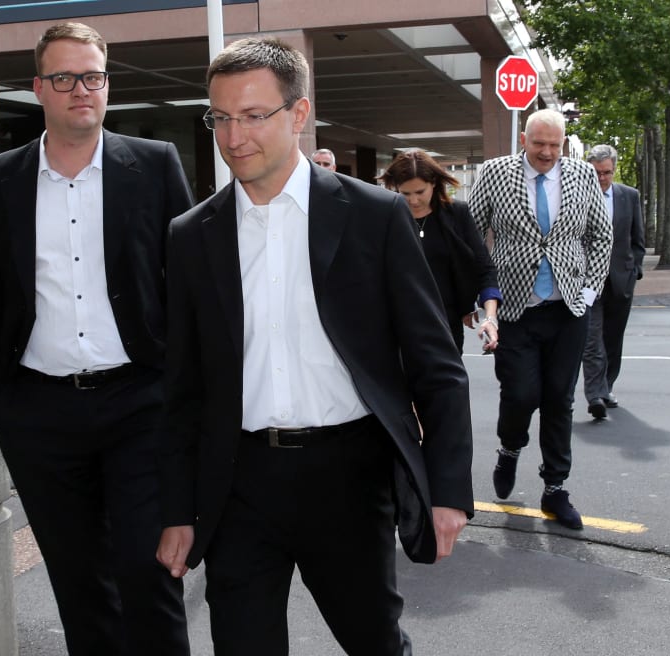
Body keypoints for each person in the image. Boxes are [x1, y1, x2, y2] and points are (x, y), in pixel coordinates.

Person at [156, 37, 473, 656]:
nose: (233, 135)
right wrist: (178, 508)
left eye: (253, 115)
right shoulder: (192, 235)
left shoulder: (375, 215)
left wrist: (448, 488)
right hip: (238, 484)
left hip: (348, 479)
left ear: (298, 115)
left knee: (374, 641)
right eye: (219, 117)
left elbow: (436, 362)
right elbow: (183, 388)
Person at [0, 22, 193, 656]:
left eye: (92, 76)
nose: (80, 89)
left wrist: (184, 388)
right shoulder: (1, 177)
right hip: (39, 413)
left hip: (139, 404)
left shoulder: (152, 166)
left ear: (107, 84)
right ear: (39, 88)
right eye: (63, 78)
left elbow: (190, 285)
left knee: (150, 572)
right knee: (78, 583)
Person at [468, 109, 611, 530]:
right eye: (539, 144)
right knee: (520, 394)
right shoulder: (495, 173)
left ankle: (555, 489)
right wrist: (477, 297)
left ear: (564, 142)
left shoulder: (583, 176)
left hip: (568, 308)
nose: (547, 152)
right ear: (524, 141)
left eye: (555, 145)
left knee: (559, 400)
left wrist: (589, 289)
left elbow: (601, 236)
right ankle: (510, 447)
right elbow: (472, 236)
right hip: (513, 310)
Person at [378, 149, 501, 353]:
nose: (413, 201)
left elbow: (485, 269)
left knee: (447, 383)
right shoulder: (386, 219)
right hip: (397, 327)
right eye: (405, 193)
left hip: (446, 324)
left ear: (433, 183)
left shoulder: (457, 214)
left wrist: (490, 318)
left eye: (420, 192)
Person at [582, 144, 645, 418]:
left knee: (613, 339)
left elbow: (637, 240)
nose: (602, 178)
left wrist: (635, 271)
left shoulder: (628, 196)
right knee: (591, 339)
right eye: (596, 173)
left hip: (621, 280)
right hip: (587, 283)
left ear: (614, 170)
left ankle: (606, 387)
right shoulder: (576, 197)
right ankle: (594, 394)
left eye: (606, 172)